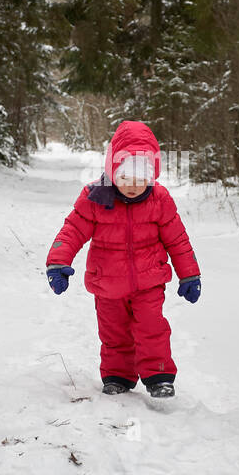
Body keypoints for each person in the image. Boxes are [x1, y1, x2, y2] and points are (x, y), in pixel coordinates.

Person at [45, 121, 201, 398]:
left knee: (152, 327)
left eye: (141, 178)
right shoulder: (96, 197)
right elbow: (72, 230)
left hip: (149, 282)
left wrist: (189, 274)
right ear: (112, 171)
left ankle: (159, 376)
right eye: (125, 177)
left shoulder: (160, 200)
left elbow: (178, 240)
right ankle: (117, 375)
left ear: (152, 175)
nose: (133, 186)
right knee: (114, 333)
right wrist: (57, 262)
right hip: (107, 283)